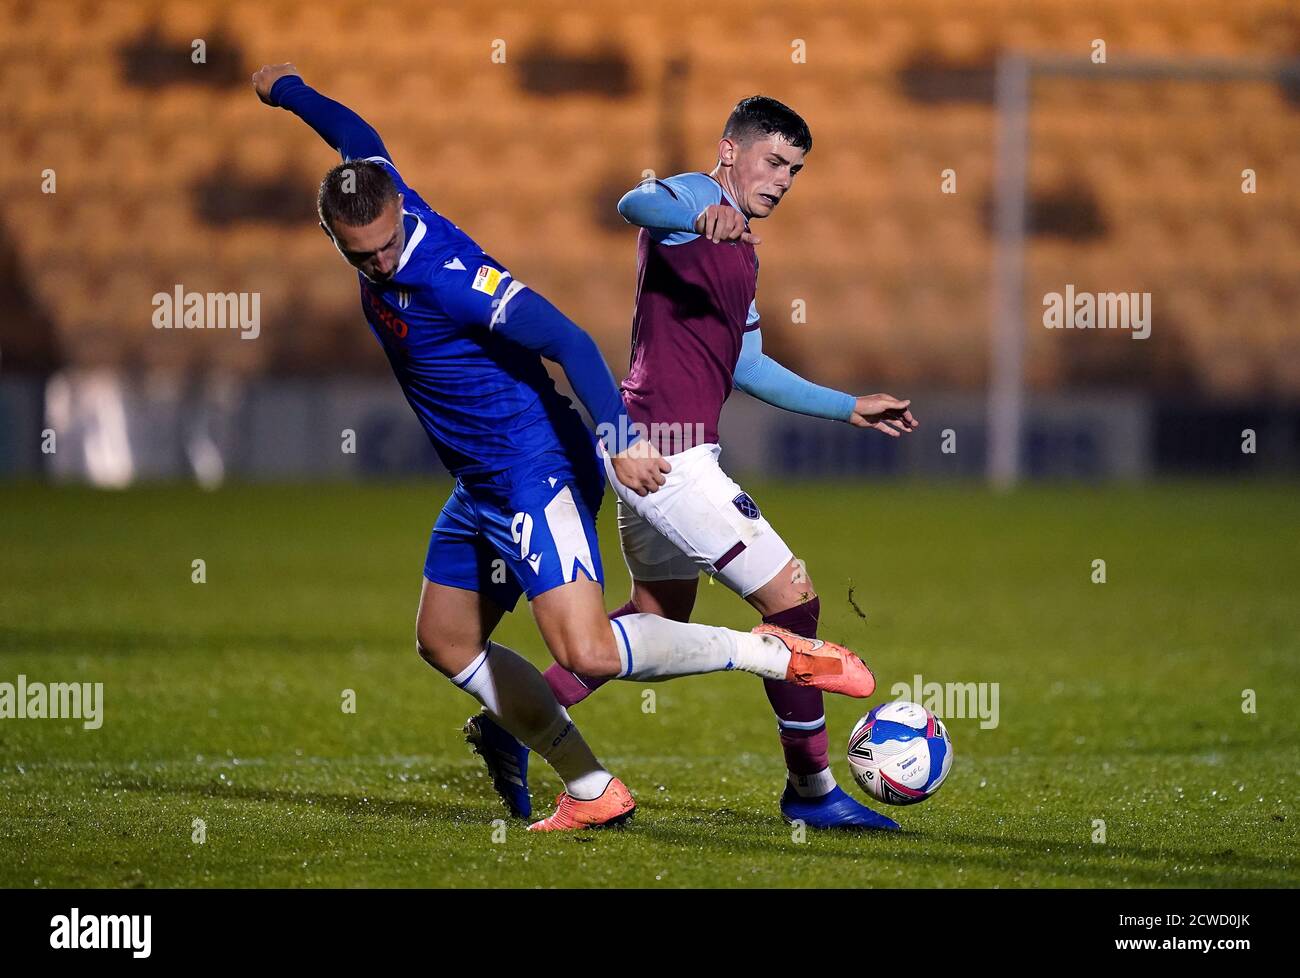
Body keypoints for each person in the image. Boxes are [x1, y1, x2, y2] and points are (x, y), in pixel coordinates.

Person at [254, 67, 878, 831]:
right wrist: (285, 88)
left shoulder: (451, 277)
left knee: (634, 634)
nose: (380, 264)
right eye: (362, 256)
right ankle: (589, 781)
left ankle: (792, 729)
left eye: (386, 247)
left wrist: (844, 408)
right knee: (449, 641)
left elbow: (574, 334)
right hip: (534, 472)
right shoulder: (688, 201)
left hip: (547, 463)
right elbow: (358, 137)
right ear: (336, 233)